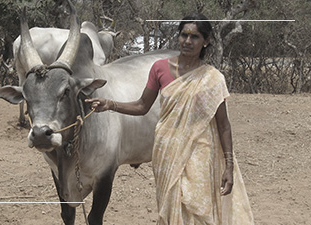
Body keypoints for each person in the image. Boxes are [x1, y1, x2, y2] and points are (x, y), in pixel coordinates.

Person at [86, 13, 254, 225]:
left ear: (206, 41)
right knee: (172, 207)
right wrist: (110, 104)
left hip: (201, 150)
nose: (187, 41)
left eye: (195, 37)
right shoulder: (160, 69)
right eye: (184, 35)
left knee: (198, 206)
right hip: (167, 150)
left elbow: (223, 125)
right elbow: (141, 105)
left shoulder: (213, 78)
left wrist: (228, 166)